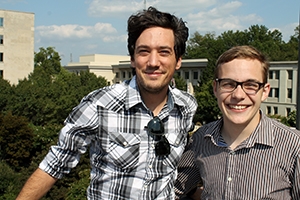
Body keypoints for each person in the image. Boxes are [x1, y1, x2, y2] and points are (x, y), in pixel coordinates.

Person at [17, 7, 197, 200]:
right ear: (132, 59)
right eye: (144, 52)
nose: (153, 62)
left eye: (164, 52)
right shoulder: (99, 104)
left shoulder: (186, 107)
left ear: (178, 61)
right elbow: (55, 164)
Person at [174, 45, 300, 199]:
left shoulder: (294, 147)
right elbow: (175, 189)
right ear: (216, 88)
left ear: (265, 91)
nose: (238, 95)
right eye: (228, 84)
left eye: (251, 85)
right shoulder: (201, 139)